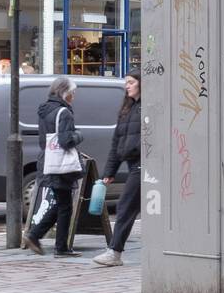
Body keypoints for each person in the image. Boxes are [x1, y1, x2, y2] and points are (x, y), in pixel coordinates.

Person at [23, 77, 83, 258]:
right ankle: (59, 247)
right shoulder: (64, 112)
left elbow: (45, 140)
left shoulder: (45, 110)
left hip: (48, 161)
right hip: (61, 165)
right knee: (65, 206)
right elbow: (65, 141)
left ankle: (36, 236)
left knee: (61, 203)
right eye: (72, 93)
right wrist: (78, 135)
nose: (74, 97)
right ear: (65, 93)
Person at [93, 71, 141, 267]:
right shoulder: (127, 109)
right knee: (132, 207)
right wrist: (109, 172)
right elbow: (117, 143)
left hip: (144, 164)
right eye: (126, 82)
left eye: (131, 82)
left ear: (142, 83)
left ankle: (114, 252)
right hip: (133, 164)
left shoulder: (148, 107)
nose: (127, 86)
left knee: (125, 206)